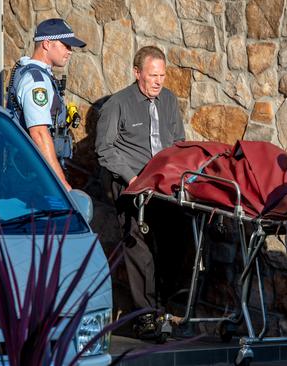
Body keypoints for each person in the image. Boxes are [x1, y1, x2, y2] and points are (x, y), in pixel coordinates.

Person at [95, 45, 185, 338]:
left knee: (175, 247)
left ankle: (167, 309)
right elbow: (104, 149)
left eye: (162, 75)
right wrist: (131, 177)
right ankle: (145, 317)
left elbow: (178, 141)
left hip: (165, 189)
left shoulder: (169, 100)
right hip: (132, 188)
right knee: (139, 250)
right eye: (152, 75)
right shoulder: (117, 104)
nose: (158, 81)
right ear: (137, 73)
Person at [6, 18, 86, 191]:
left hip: (32, 170)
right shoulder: (37, 81)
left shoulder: (35, 73)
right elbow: (39, 133)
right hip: (33, 175)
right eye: (66, 45)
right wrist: (61, 183)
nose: (70, 51)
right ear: (47, 44)